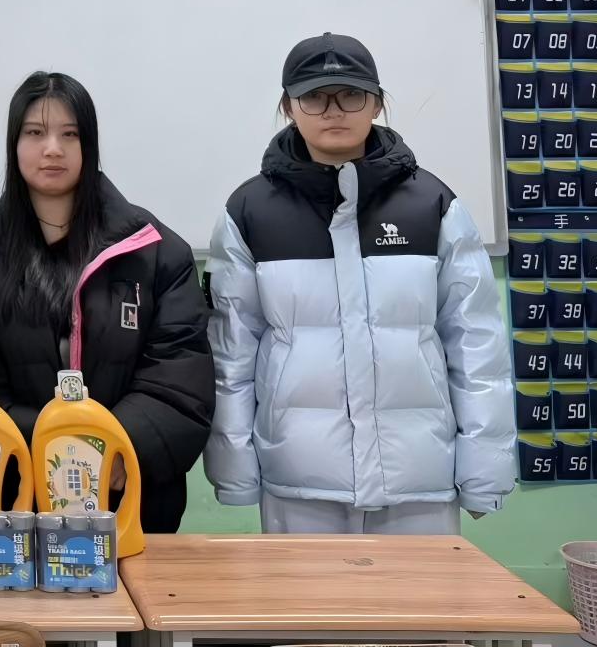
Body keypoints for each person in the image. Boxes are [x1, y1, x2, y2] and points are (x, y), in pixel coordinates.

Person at [205, 33, 514, 534]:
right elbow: (231, 354)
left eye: (351, 94)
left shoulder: (433, 205)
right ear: (288, 106)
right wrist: (234, 468)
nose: (333, 110)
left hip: (418, 478)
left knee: (422, 592)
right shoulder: (250, 212)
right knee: (306, 593)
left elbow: (477, 347)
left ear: (377, 102)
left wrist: (484, 469)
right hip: (298, 478)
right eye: (313, 96)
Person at [0, 71, 213, 532]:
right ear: (14, 144)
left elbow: (179, 379)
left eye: (70, 135)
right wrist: (51, 453)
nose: (52, 149)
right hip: (16, 502)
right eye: (35, 133)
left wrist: (115, 448)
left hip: (127, 501)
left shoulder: (153, 249)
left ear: (90, 144)